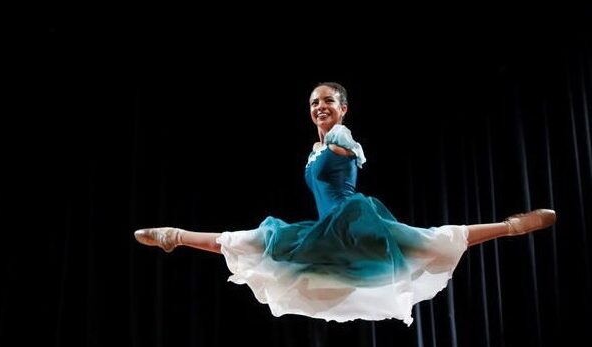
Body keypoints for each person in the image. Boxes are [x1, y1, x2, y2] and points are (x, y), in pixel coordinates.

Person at [134, 82, 556, 326]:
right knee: (258, 244)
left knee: (431, 242)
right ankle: (176, 237)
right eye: (314, 103)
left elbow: (351, 147)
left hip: (355, 222)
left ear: (342, 108)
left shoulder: (338, 137)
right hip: (327, 232)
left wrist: (347, 144)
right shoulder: (313, 150)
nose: (320, 107)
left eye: (328, 101)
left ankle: (512, 226)